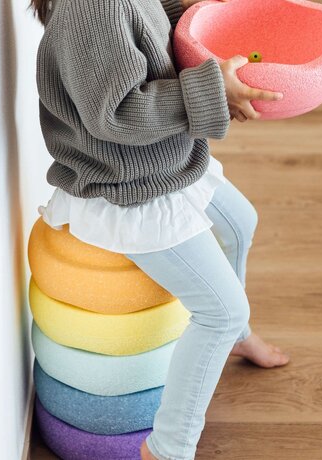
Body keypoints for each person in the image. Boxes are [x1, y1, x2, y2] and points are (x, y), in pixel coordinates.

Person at [30, 0, 290, 458]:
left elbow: (140, 29)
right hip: (132, 188)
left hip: (168, 162)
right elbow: (117, 112)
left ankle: (236, 336)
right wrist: (213, 93)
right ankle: (169, 448)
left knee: (240, 222)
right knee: (220, 311)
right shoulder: (93, 8)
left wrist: (193, 13)